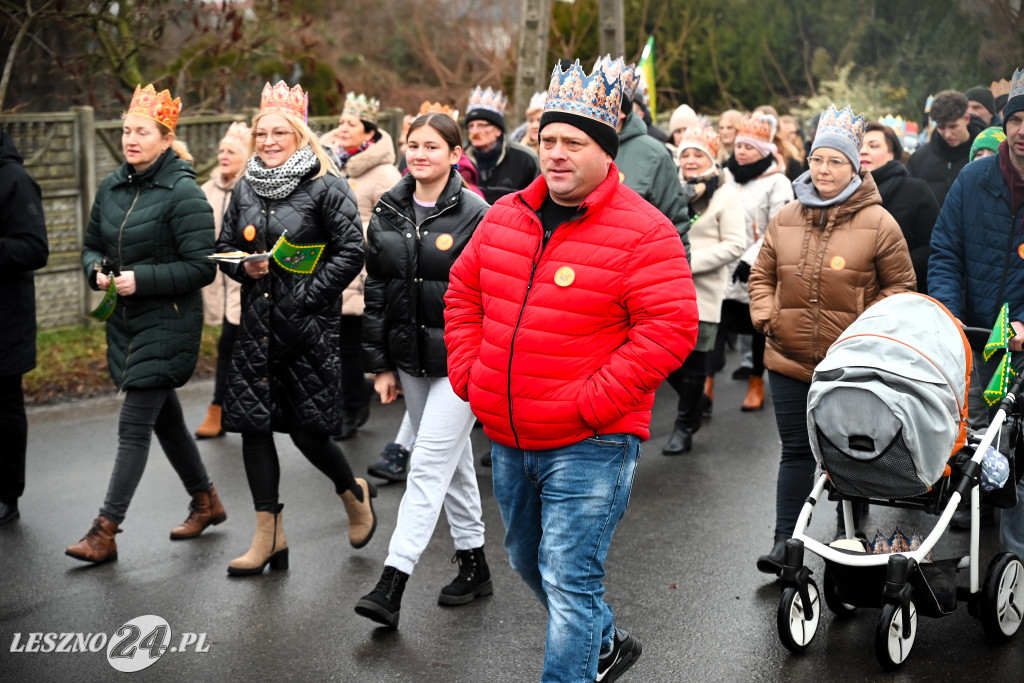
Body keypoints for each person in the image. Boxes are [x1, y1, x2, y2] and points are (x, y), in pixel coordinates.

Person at [445, 59, 698, 683]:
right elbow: (463, 291)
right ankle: (604, 644)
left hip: (593, 441)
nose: (556, 154)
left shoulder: (646, 232)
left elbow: (670, 330)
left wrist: (592, 402)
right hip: (509, 434)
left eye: (573, 143)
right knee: (526, 559)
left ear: (605, 152)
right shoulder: (505, 215)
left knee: (568, 575)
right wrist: (471, 376)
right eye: (548, 140)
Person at [749, 105, 916, 574]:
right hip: (787, 358)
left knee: (848, 450)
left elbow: (901, 289)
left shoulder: (880, 223)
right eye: (818, 159)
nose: (823, 169)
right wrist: (768, 317)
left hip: (851, 364)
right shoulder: (785, 217)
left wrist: (868, 334)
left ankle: (852, 533)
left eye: (835, 161)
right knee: (797, 452)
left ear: (855, 167)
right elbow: (761, 275)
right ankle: (786, 542)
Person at [216, 81, 374, 576]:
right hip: (256, 327)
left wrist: (308, 296)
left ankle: (352, 491)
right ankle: (269, 534)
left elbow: (353, 250)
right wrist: (245, 267)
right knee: (253, 427)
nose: (267, 140)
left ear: (299, 134)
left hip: (307, 330)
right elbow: (223, 246)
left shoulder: (327, 184)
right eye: (261, 132)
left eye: (279, 132)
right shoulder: (244, 185)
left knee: (308, 431)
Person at [67, 85, 222, 564]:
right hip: (126, 321)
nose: (131, 139)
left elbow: (203, 267)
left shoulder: (184, 192)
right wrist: (95, 268)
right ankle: (206, 501)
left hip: (169, 322)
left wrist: (142, 279)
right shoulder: (112, 186)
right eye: (126, 130)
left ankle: (105, 530)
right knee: (167, 422)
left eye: (141, 132)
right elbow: (91, 244)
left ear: (165, 137)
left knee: (134, 425)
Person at [354, 112, 492, 628]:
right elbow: (377, 292)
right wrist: (381, 365)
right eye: (413, 145)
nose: (420, 155)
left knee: (428, 463)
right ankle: (475, 564)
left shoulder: (478, 214)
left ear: (455, 155)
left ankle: (393, 582)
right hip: (409, 360)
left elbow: (491, 296)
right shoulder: (388, 208)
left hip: (462, 362)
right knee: (451, 462)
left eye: (432, 146)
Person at [928, 68, 1024, 555]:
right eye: (1018, 118)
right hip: (976, 338)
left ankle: (1015, 560)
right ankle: (972, 515)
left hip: (1022, 342)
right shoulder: (973, 178)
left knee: (1021, 456)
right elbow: (945, 251)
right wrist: (948, 312)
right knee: (978, 440)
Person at [320, 93, 402, 440]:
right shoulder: (327, 164)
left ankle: (353, 409)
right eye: (340, 122)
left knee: (352, 346)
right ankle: (336, 405)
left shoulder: (384, 173)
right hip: (328, 268)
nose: (342, 128)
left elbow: (394, 226)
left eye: (350, 123)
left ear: (368, 134)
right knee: (331, 347)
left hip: (361, 270)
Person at [663, 126, 745, 454]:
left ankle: (683, 426)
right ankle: (696, 402)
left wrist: (689, 260)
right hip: (667, 286)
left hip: (703, 290)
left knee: (696, 358)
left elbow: (736, 244)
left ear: (711, 159)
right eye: (686, 154)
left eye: (699, 155)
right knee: (666, 358)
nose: (691, 160)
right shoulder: (671, 189)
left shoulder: (726, 194)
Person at [706, 112, 794, 414]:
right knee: (715, 324)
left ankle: (757, 380)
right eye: (739, 146)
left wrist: (751, 259)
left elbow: (778, 226)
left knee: (758, 327)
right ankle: (706, 384)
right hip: (723, 265)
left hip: (757, 268)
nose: (741, 152)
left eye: (749, 147)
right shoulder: (726, 176)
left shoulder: (778, 183)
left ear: (765, 151)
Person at [0, 127, 49, 526]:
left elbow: (35, 247)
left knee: (4, 408)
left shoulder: (14, 179)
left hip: (5, 319)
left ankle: (6, 494)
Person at [194, 121, 249, 439]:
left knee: (233, 347)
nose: (224, 156)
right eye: (221, 151)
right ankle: (224, 410)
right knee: (228, 346)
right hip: (220, 282)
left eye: (231, 151)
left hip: (247, 282)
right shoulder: (208, 189)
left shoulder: (251, 187)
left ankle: (222, 408)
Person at [608, 57, 691, 257]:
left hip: (634, 268)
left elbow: (674, 225)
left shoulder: (655, 155)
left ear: (622, 112)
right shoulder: (571, 151)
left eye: (606, 102)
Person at [858, 121, 939, 294]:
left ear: (891, 153)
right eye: (859, 145)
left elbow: (932, 246)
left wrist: (890, 268)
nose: (863, 151)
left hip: (905, 292)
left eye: (873, 146)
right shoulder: (845, 193)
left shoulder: (916, 189)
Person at [908, 89, 987, 207]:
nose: (947, 134)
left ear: (966, 119)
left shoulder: (986, 154)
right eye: (941, 127)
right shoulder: (918, 158)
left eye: (953, 126)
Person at [463, 86, 540, 204]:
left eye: (482, 125)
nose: (474, 132)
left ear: (498, 130)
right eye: (471, 126)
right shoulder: (460, 160)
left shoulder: (525, 159)